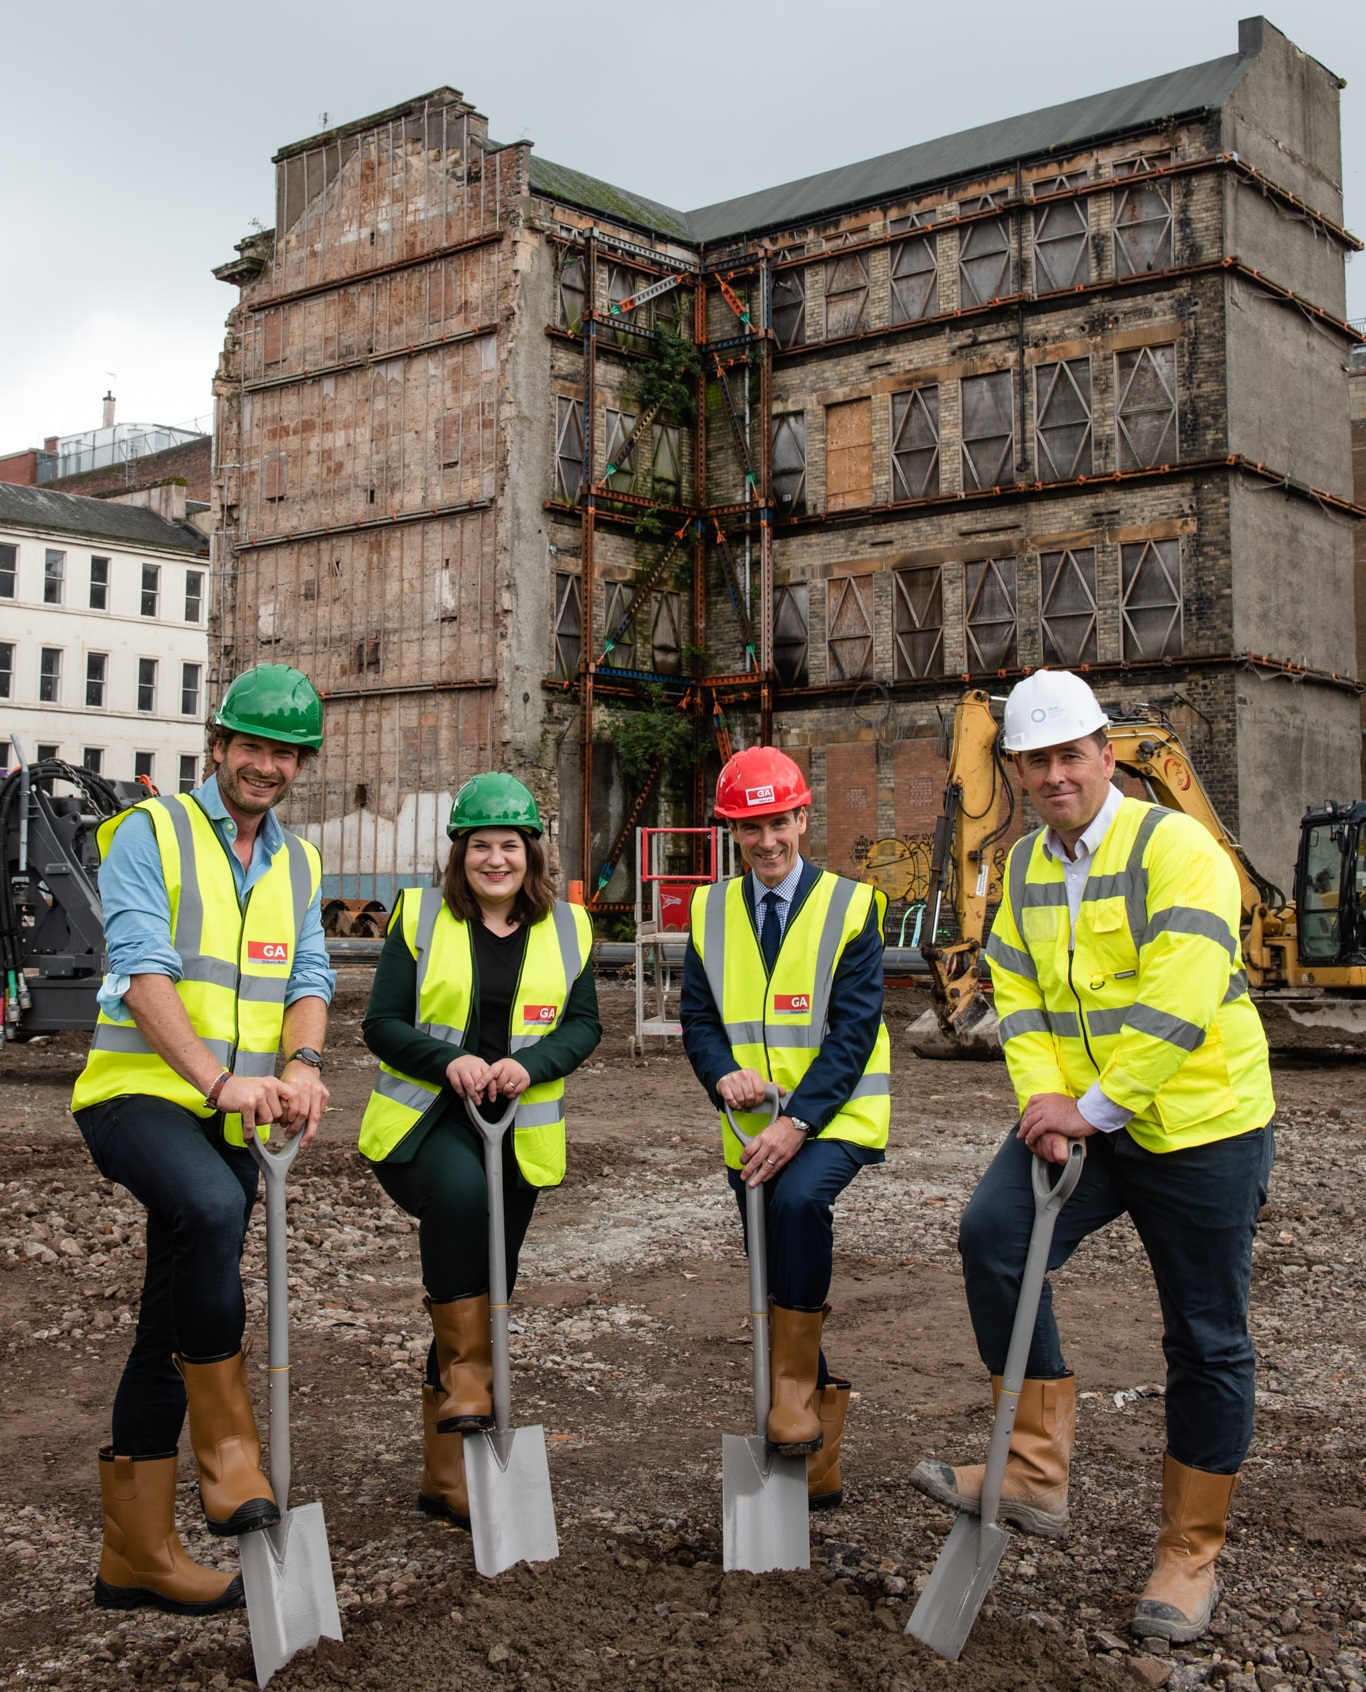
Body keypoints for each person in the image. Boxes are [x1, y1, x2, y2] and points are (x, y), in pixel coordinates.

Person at [909, 668, 1275, 1644]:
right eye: (1036, 760)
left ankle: (1188, 1555)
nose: (1054, 774)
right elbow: (1018, 995)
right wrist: (1038, 1098)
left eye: (1070, 754)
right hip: (1082, 1119)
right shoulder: (1025, 866)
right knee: (993, 1233)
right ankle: (1033, 1467)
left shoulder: (1176, 847)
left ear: (1104, 756)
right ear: (1020, 771)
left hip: (1200, 1125)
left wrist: (1093, 1109)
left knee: (1203, 1335)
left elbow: (1180, 999)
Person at [71, 663, 334, 1614]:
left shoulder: (299, 864)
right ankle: (230, 1456)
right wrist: (220, 1081)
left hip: (239, 1111)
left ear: (300, 764)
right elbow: (142, 971)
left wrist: (302, 1065)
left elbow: (310, 973)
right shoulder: (151, 833)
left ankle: (135, 1554)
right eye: (250, 746)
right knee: (216, 1205)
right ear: (218, 747)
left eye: (284, 753)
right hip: (140, 1095)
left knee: (166, 1319)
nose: (265, 766)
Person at [358, 773, 599, 1531]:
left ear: (531, 852)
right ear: (459, 854)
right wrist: (448, 1061)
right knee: (462, 1202)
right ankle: (467, 1385)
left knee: (490, 1276)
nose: (496, 860)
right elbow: (382, 1022)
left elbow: (583, 1026)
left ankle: (446, 1474)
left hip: (517, 1127)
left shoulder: (568, 927)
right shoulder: (421, 917)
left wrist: (534, 1064)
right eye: (480, 846)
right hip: (428, 1123)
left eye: (510, 846)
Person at [680, 746, 889, 1509]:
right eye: (748, 828)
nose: (766, 841)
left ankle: (795, 1393)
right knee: (772, 1265)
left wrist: (799, 1121)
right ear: (732, 833)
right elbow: (699, 1020)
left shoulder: (852, 907)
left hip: (834, 1116)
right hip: (749, 1124)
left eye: (777, 823)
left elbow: (855, 1030)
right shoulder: (709, 911)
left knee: (799, 1205)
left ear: (802, 817)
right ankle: (812, 1452)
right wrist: (720, 1077)